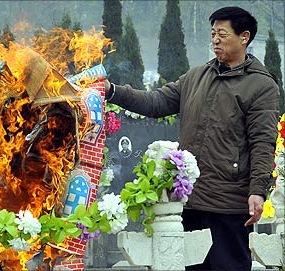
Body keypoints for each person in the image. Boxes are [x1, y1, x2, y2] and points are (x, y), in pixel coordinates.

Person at [104, 6, 279, 271]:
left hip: (227, 202)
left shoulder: (261, 85)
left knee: (228, 266)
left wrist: (257, 190)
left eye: (222, 33)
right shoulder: (197, 76)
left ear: (244, 37)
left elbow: (262, 141)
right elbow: (157, 102)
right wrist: (112, 91)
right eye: (212, 33)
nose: (215, 40)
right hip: (190, 197)